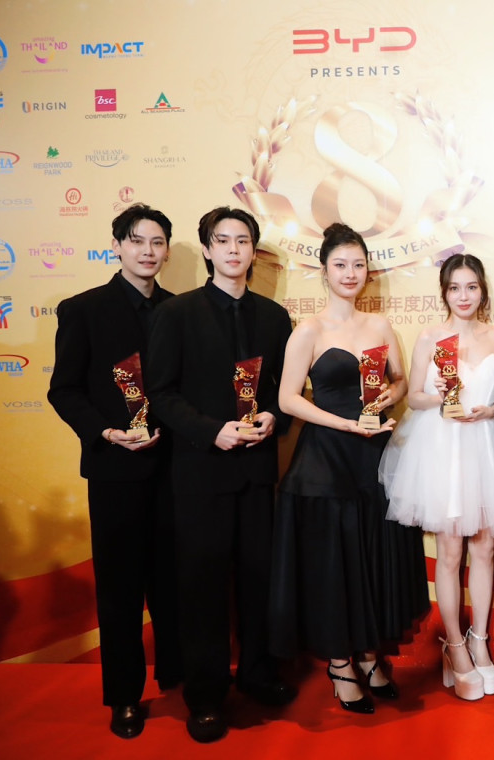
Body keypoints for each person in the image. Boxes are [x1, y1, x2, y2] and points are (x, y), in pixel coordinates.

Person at [147, 207, 294, 743]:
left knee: (258, 580)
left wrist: (274, 415)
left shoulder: (274, 318)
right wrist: (212, 431)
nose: (234, 249)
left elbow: (281, 389)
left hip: (256, 472)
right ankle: (206, 695)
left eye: (243, 240)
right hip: (200, 474)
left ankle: (257, 673)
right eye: (223, 240)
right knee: (202, 587)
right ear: (207, 250)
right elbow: (160, 393)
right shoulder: (177, 313)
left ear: (254, 251)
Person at [269, 223, 429, 714]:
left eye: (358, 264)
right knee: (334, 563)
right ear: (324, 271)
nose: (350, 273)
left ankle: (370, 654)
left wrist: (385, 398)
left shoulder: (380, 327)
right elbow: (287, 398)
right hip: (325, 459)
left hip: (374, 456)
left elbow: (400, 383)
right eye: (340, 264)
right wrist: (342, 423)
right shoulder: (309, 330)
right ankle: (340, 663)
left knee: (371, 556)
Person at [47, 204, 182, 739]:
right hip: (113, 469)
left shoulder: (179, 309)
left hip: (174, 468)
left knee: (174, 581)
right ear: (117, 246)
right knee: (120, 588)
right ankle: (124, 695)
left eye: (157, 242)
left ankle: (177, 675)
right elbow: (64, 390)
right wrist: (104, 431)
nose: (148, 251)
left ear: (167, 250)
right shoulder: (83, 309)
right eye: (137, 241)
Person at [379, 253, 494, 702]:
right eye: (455, 287)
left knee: (484, 548)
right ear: (444, 292)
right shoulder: (429, 336)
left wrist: (492, 409)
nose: (464, 296)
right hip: (444, 448)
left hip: (486, 447)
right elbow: (414, 397)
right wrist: (439, 399)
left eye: (471, 287)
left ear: (483, 291)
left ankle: (480, 641)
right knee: (450, 552)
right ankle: (454, 646)